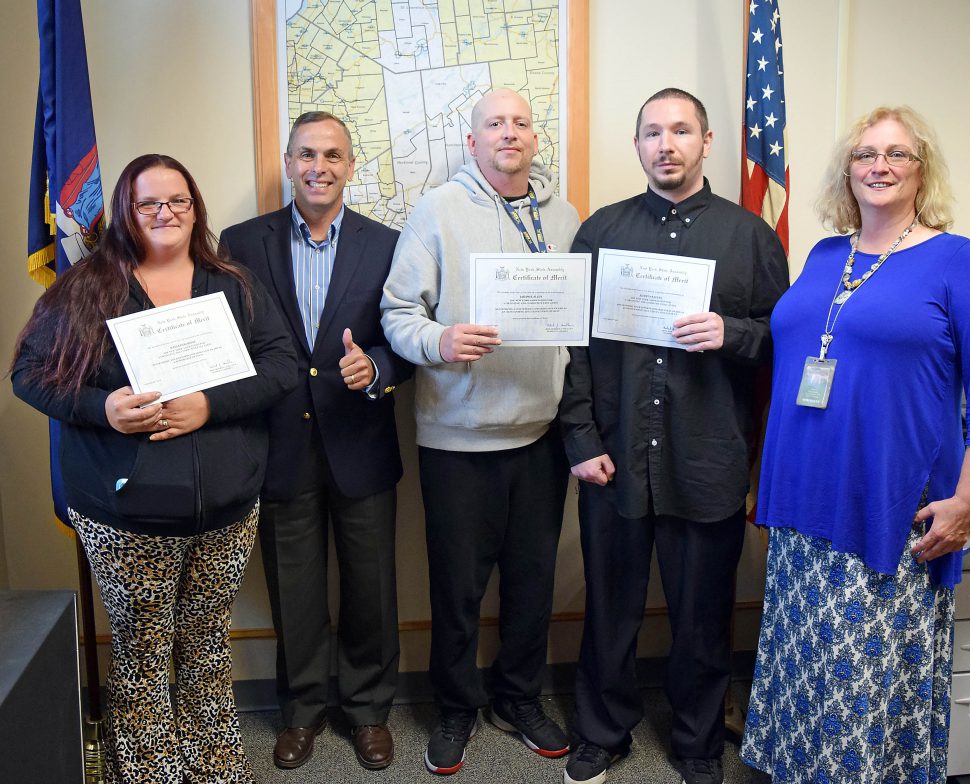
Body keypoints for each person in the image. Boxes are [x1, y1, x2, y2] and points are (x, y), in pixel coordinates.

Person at [740, 106, 970, 783]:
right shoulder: (825, 254)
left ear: (923, 172)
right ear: (848, 171)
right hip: (805, 499)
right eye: (866, 154)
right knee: (805, 658)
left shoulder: (957, 259)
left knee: (864, 678)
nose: (879, 166)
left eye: (897, 154)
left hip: (890, 506)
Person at [10, 154, 297, 784]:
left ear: (194, 209)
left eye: (179, 201)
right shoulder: (88, 285)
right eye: (149, 204)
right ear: (125, 213)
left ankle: (215, 763)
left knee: (204, 648)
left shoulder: (233, 283)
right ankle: (146, 771)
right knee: (143, 658)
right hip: (127, 514)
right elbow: (28, 376)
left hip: (225, 508)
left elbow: (281, 368)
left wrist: (208, 406)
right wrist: (101, 408)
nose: (166, 213)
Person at [559, 88, 790, 784]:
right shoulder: (600, 232)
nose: (667, 144)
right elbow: (569, 349)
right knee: (610, 611)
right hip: (614, 457)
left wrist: (734, 333)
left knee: (701, 618)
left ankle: (696, 744)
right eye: (652, 132)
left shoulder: (750, 236)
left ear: (707, 141)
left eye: (680, 131)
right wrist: (579, 439)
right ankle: (602, 732)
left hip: (707, 458)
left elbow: (788, 343)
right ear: (637, 146)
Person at [381, 88, 580, 775]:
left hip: (542, 435)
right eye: (494, 123)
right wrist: (441, 341)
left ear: (533, 138)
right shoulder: (438, 210)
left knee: (531, 580)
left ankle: (517, 697)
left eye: (520, 123)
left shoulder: (566, 214)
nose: (508, 133)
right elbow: (398, 312)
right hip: (458, 438)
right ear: (472, 141)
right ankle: (457, 707)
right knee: (458, 590)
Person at [220, 111, 410, 771]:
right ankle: (301, 712)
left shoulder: (387, 244)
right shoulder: (241, 242)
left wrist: (377, 368)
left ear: (350, 167)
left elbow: (408, 338)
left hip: (361, 439)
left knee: (371, 590)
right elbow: (229, 342)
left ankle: (367, 712)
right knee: (293, 590)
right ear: (288, 161)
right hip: (279, 448)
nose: (319, 166)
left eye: (332, 155)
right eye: (306, 154)